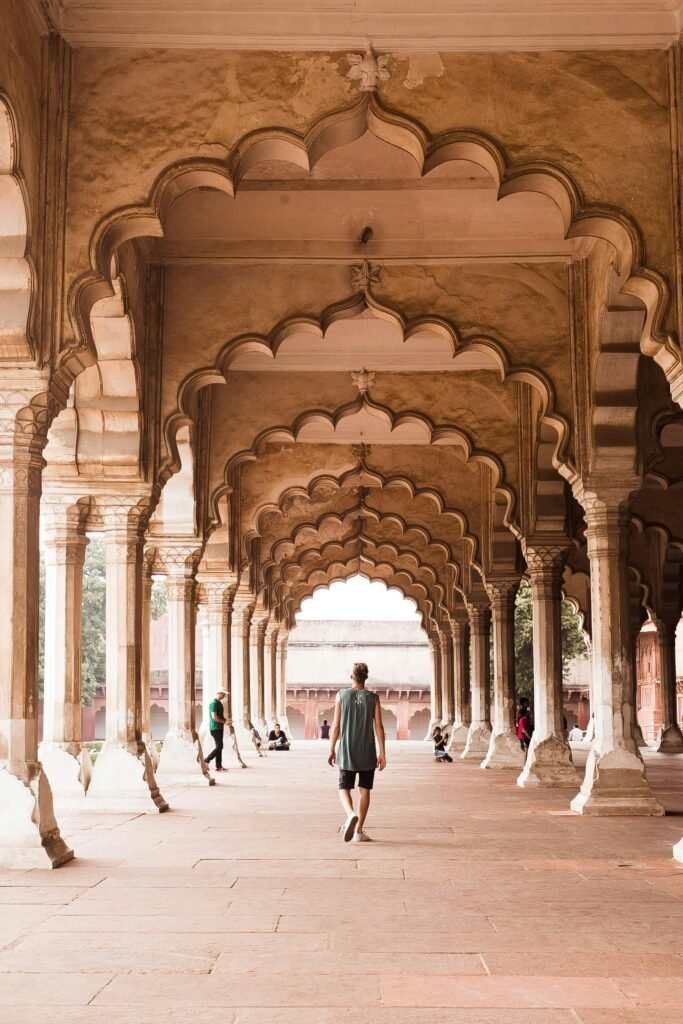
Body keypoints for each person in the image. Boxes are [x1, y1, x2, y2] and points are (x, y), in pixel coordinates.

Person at [328, 662, 386, 843]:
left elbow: (336, 725)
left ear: (351, 677)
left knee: (344, 787)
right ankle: (358, 830)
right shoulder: (373, 698)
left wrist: (331, 749)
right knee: (365, 789)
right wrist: (382, 752)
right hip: (367, 750)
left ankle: (350, 814)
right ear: (365, 677)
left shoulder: (341, 695)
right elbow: (379, 726)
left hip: (347, 750)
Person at [204, 689, 228, 773]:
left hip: (219, 727)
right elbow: (214, 717)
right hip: (215, 728)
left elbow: (220, 716)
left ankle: (218, 766)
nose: (224, 696)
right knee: (220, 746)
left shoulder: (219, 703)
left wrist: (226, 721)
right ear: (219, 693)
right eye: (223, 694)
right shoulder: (213, 703)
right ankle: (206, 760)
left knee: (219, 747)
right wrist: (224, 721)